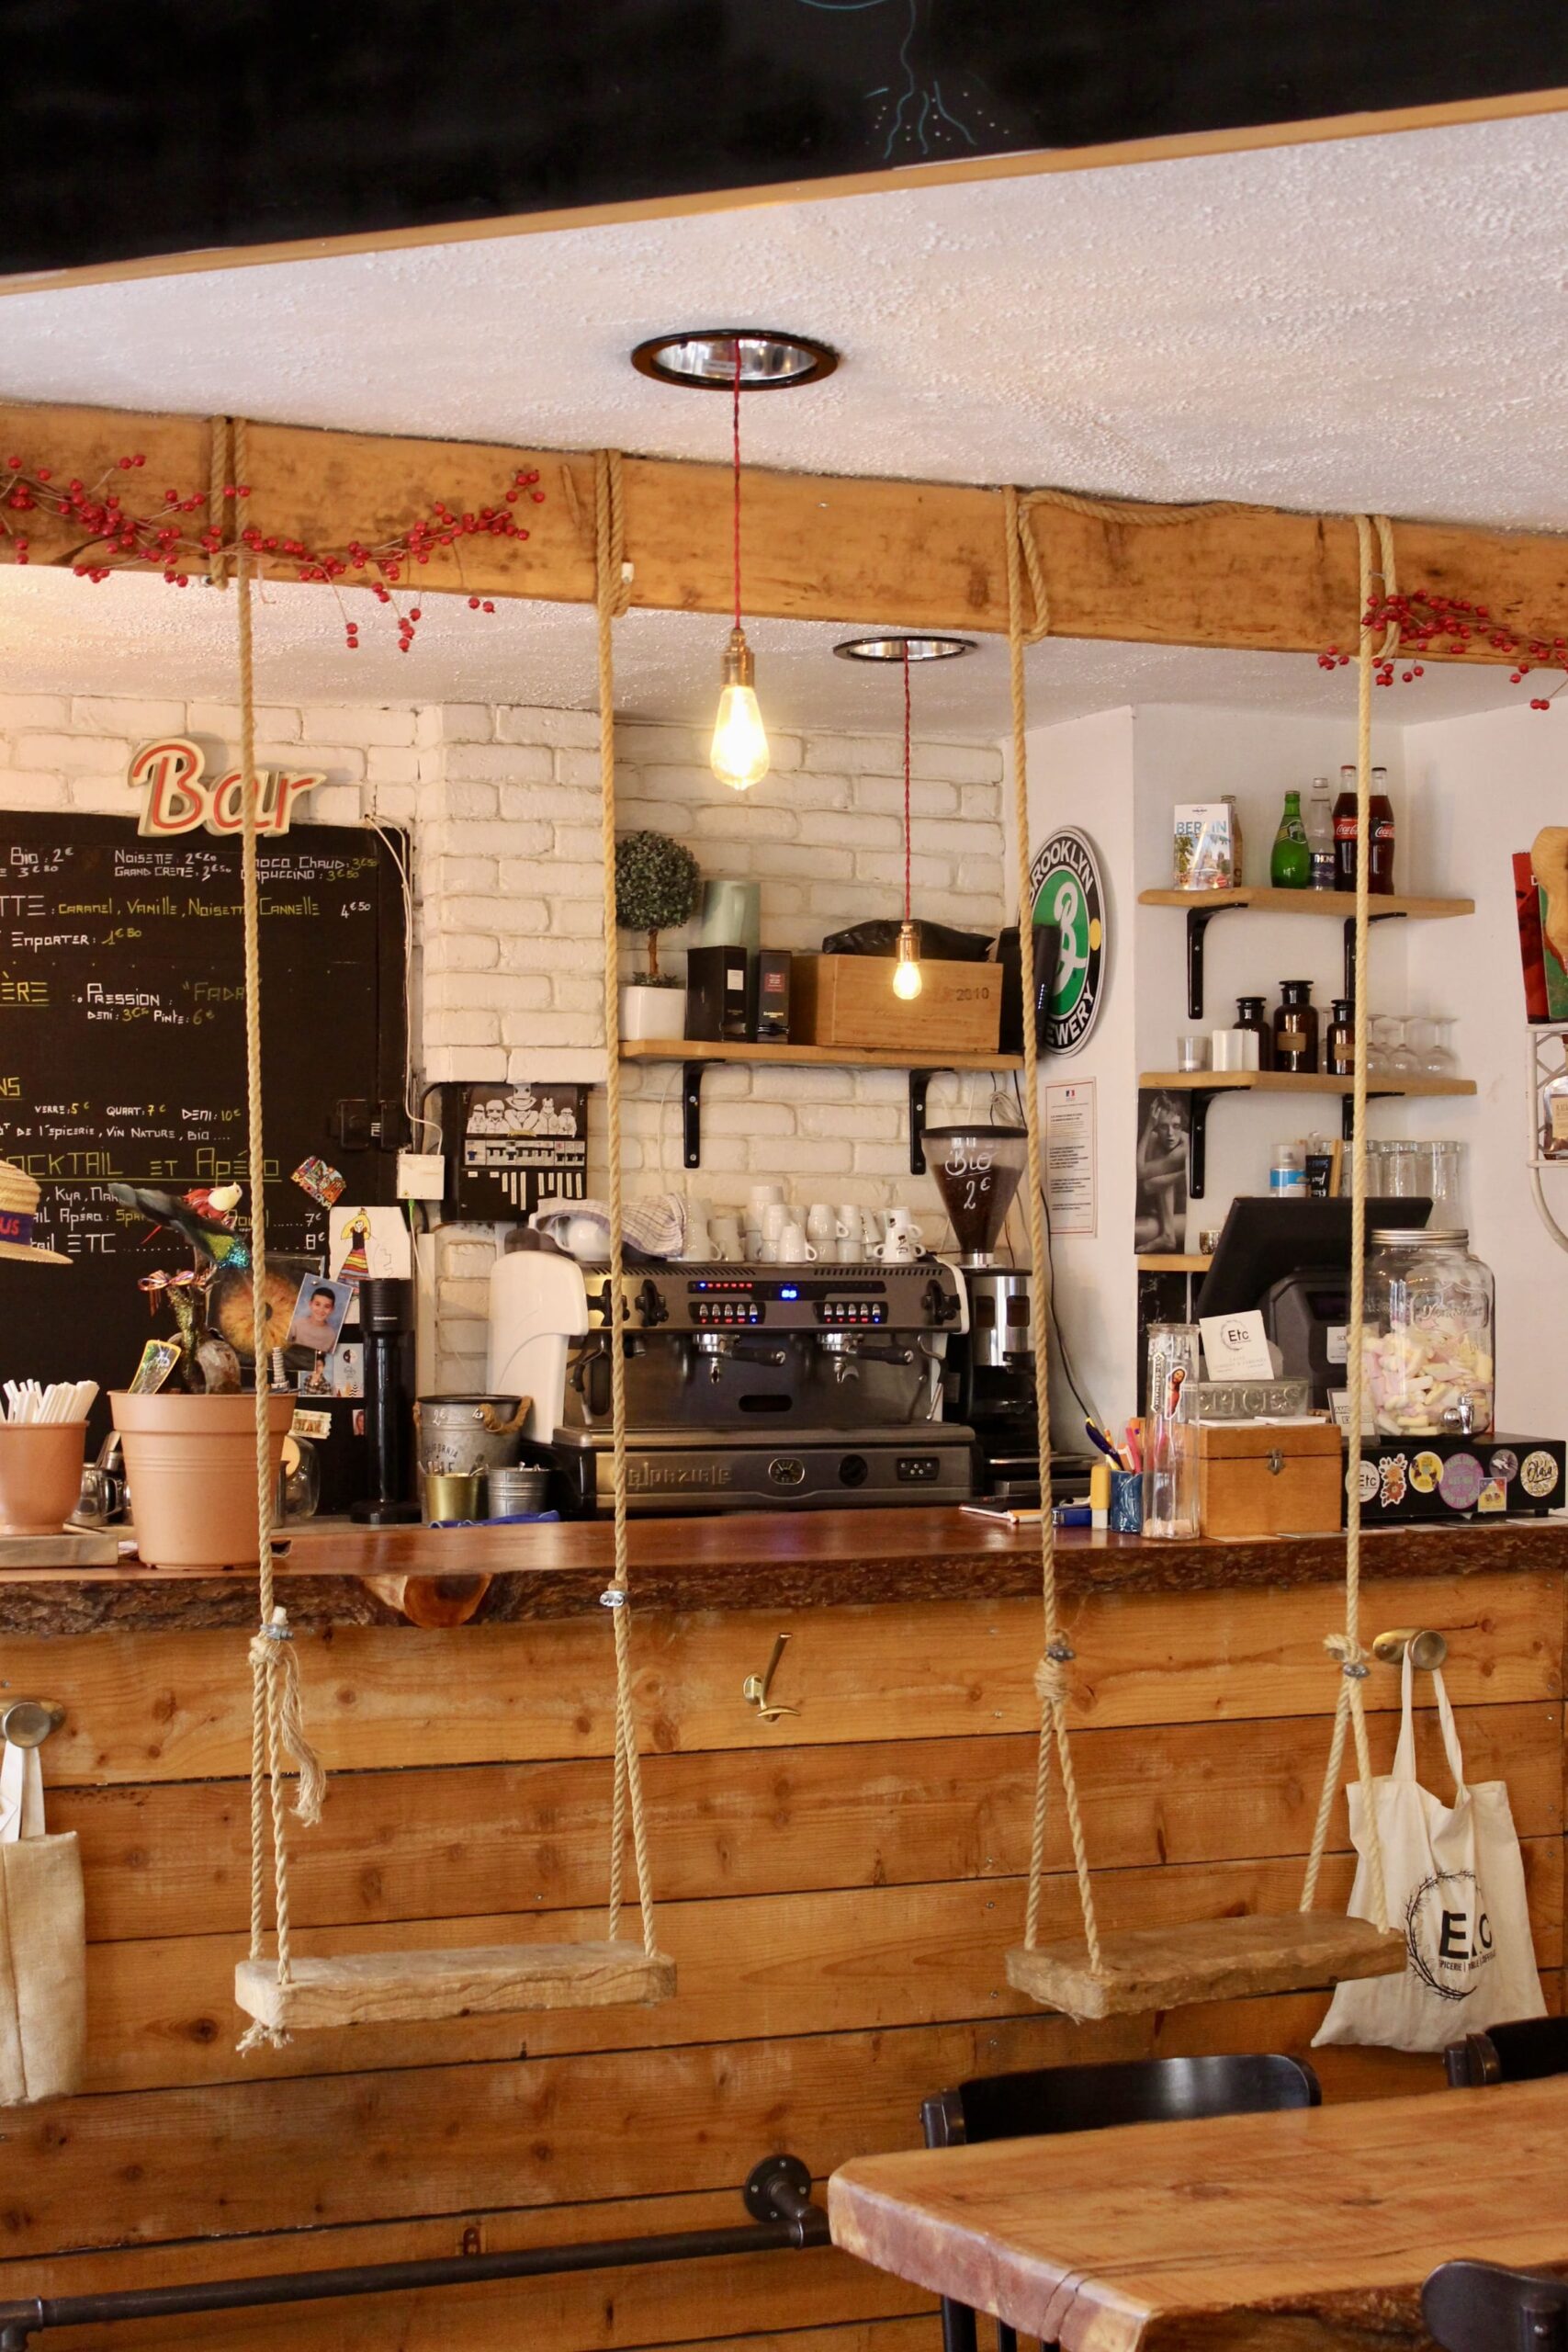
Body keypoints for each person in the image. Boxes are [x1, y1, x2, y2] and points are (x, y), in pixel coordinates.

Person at [289, 1283, 343, 1352]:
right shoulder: (296, 1325)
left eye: (327, 1306)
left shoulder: (331, 1335)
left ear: (332, 1309)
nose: (321, 1310)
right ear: (310, 1304)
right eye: (317, 1304)